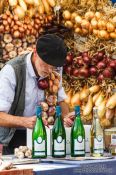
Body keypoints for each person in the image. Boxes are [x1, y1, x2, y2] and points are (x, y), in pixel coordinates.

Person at [0, 34, 74, 154]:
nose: (49, 70)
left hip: (47, 134)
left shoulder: (55, 69)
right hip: (15, 138)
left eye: (53, 67)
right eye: (45, 64)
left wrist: (65, 117)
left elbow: (60, 100)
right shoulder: (12, 71)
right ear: (35, 52)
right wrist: (25, 121)